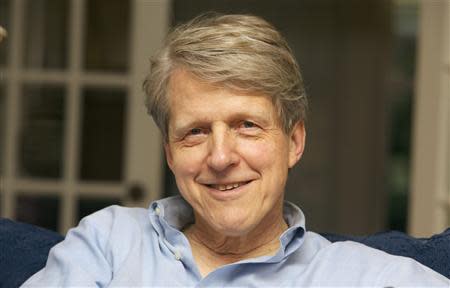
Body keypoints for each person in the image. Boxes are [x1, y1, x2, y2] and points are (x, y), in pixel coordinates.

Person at [22, 13, 449, 287]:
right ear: (170, 152)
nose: (221, 157)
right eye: (194, 132)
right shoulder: (107, 244)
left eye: (247, 125)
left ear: (294, 142)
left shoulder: (367, 277)